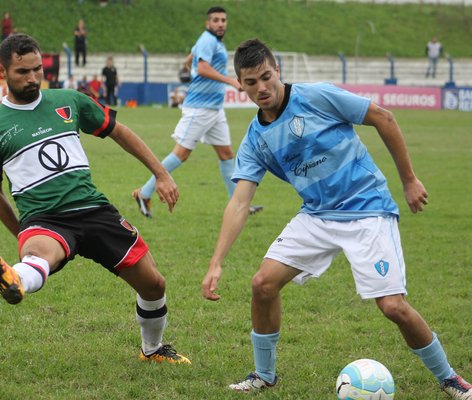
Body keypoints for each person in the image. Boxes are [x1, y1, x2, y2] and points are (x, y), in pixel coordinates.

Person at [201, 38, 472, 399]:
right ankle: (264, 375)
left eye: (266, 77)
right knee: (263, 284)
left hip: (367, 208)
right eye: (251, 83)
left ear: (277, 70)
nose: (261, 88)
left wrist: (409, 180)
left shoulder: (317, 96)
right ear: (240, 84)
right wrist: (216, 263)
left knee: (392, 306)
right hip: (318, 215)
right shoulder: (255, 140)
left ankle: (451, 378)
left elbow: (382, 117)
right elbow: (239, 202)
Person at [0, 33, 191, 365]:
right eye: (22, 72)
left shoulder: (69, 101)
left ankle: (153, 350)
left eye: (37, 69)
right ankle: (13, 278)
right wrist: (22, 232)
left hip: (94, 210)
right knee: (39, 257)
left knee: (153, 284)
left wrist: (161, 173)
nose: (32, 78)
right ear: (0, 69)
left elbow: (119, 131)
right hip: (45, 219)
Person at [131, 6, 262, 218]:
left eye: (223, 20)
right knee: (181, 154)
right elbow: (202, 67)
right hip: (199, 108)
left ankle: (239, 205)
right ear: (207, 23)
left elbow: (192, 56)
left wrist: (186, 64)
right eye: (216, 20)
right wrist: (230, 80)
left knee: (226, 154)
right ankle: (144, 193)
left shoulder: (211, 41)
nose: (220, 24)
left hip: (214, 109)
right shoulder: (208, 40)